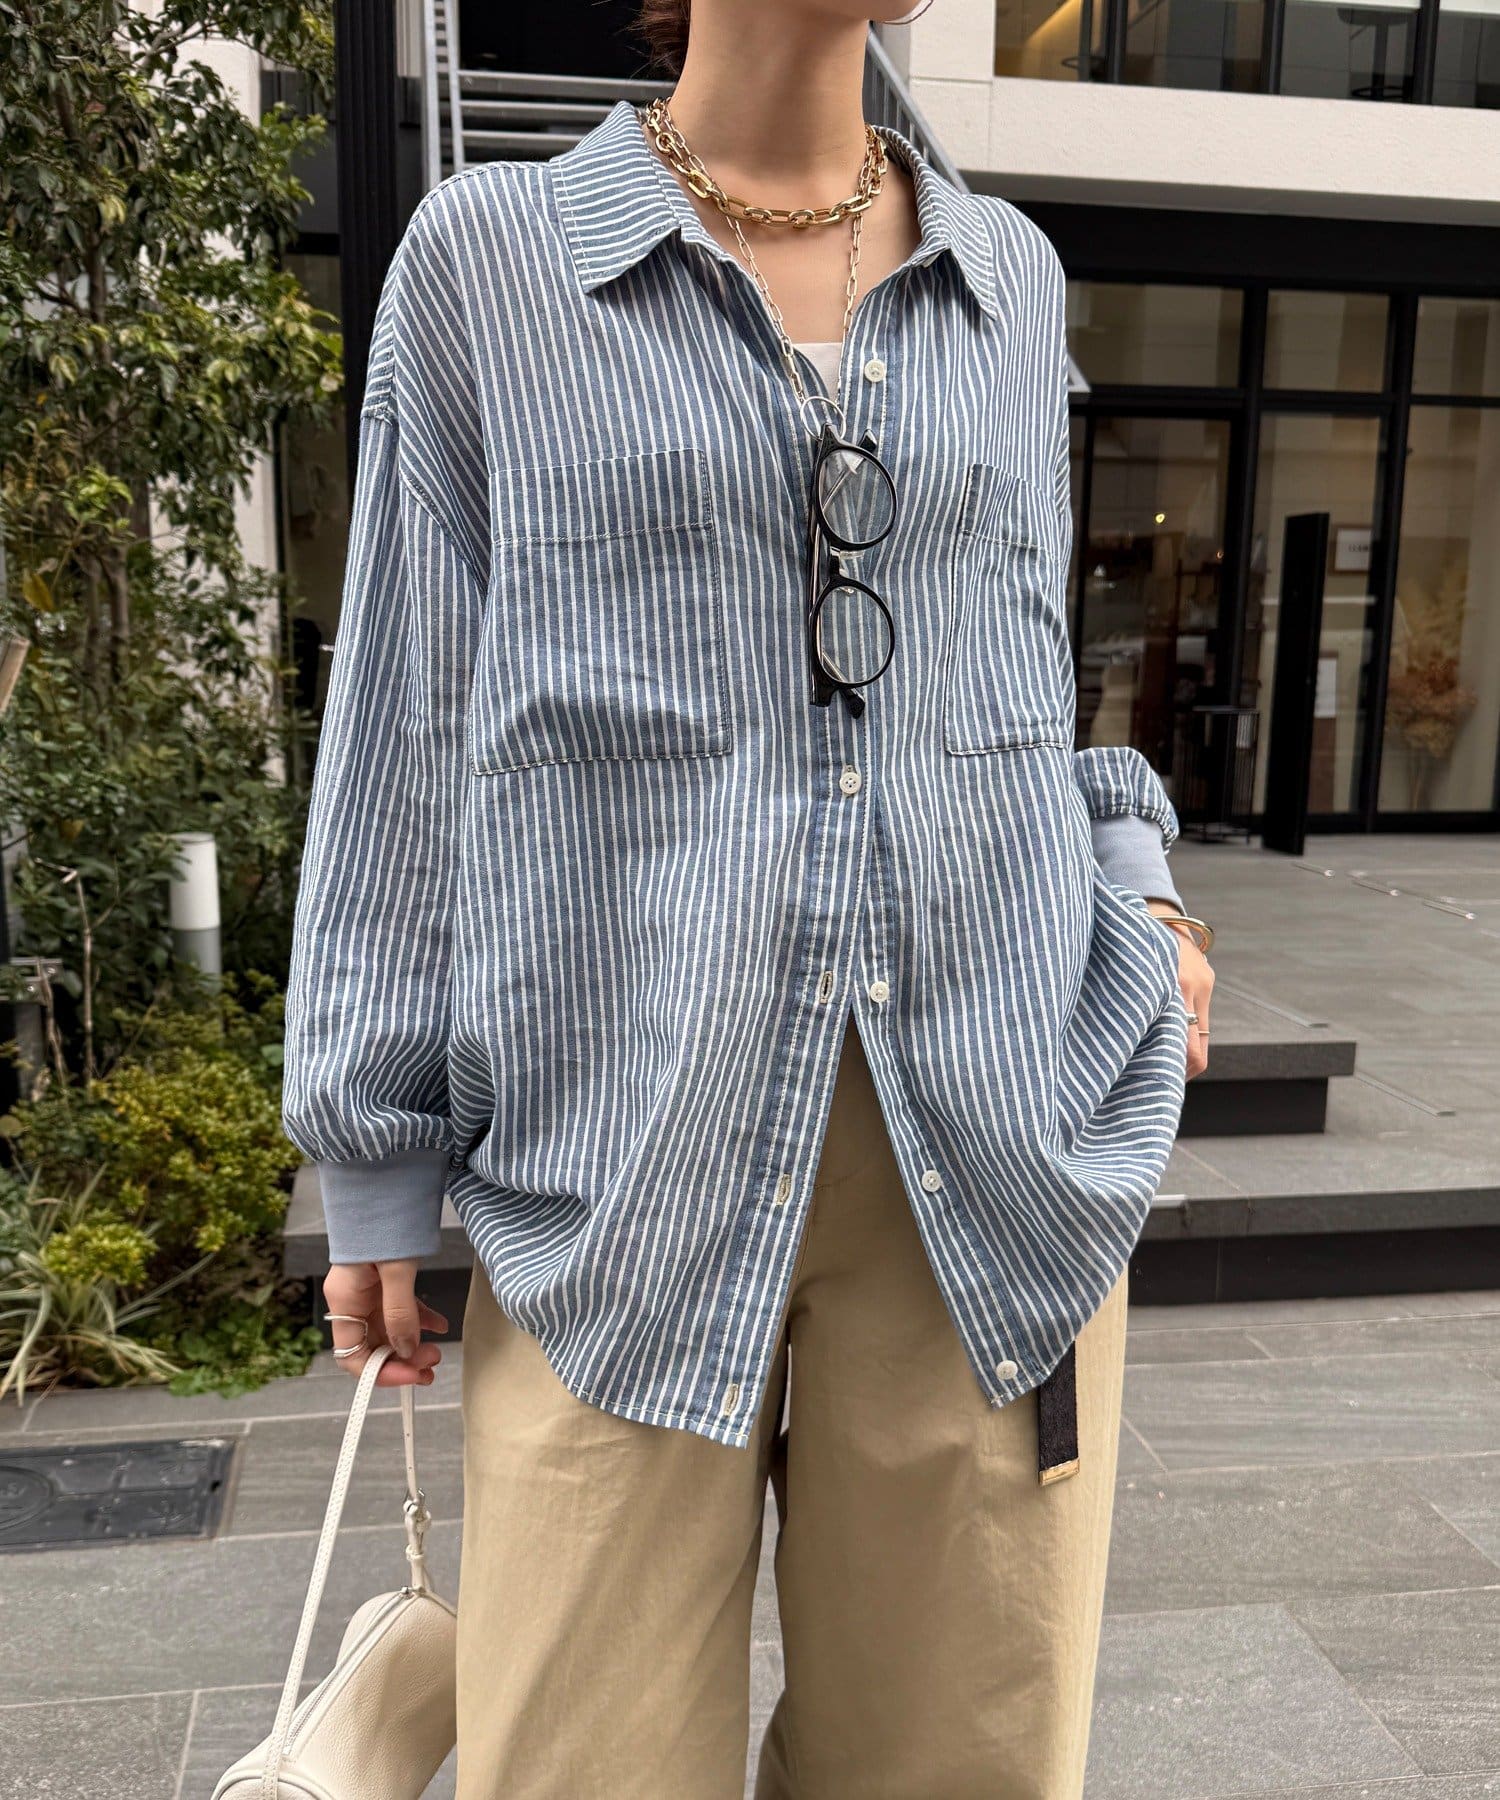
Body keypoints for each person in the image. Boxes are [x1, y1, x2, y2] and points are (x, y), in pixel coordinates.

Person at [281, 1, 1215, 1793]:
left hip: (993, 1150)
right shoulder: (494, 263)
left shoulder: (1005, 276)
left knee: (960, 1764)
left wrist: (1140, 888)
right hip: (620, 1153)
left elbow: (1023, 668)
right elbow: (410, 712)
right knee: (580, 1763)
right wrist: (375, 1145)